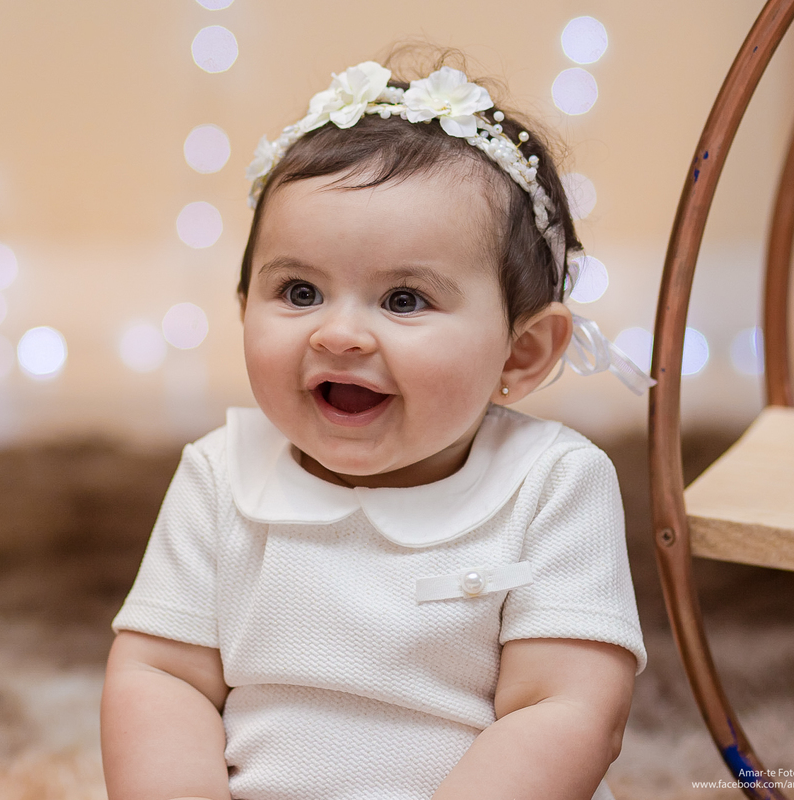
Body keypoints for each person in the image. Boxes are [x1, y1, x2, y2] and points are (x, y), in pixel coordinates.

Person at [100, 53, 653, 800]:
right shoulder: (221, 473)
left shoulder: (552, 483)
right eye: (299, 291)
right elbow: (162, 679)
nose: (339, 335)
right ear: (241, 307)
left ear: (519, 354)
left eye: (403, 300)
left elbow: (567, 709)